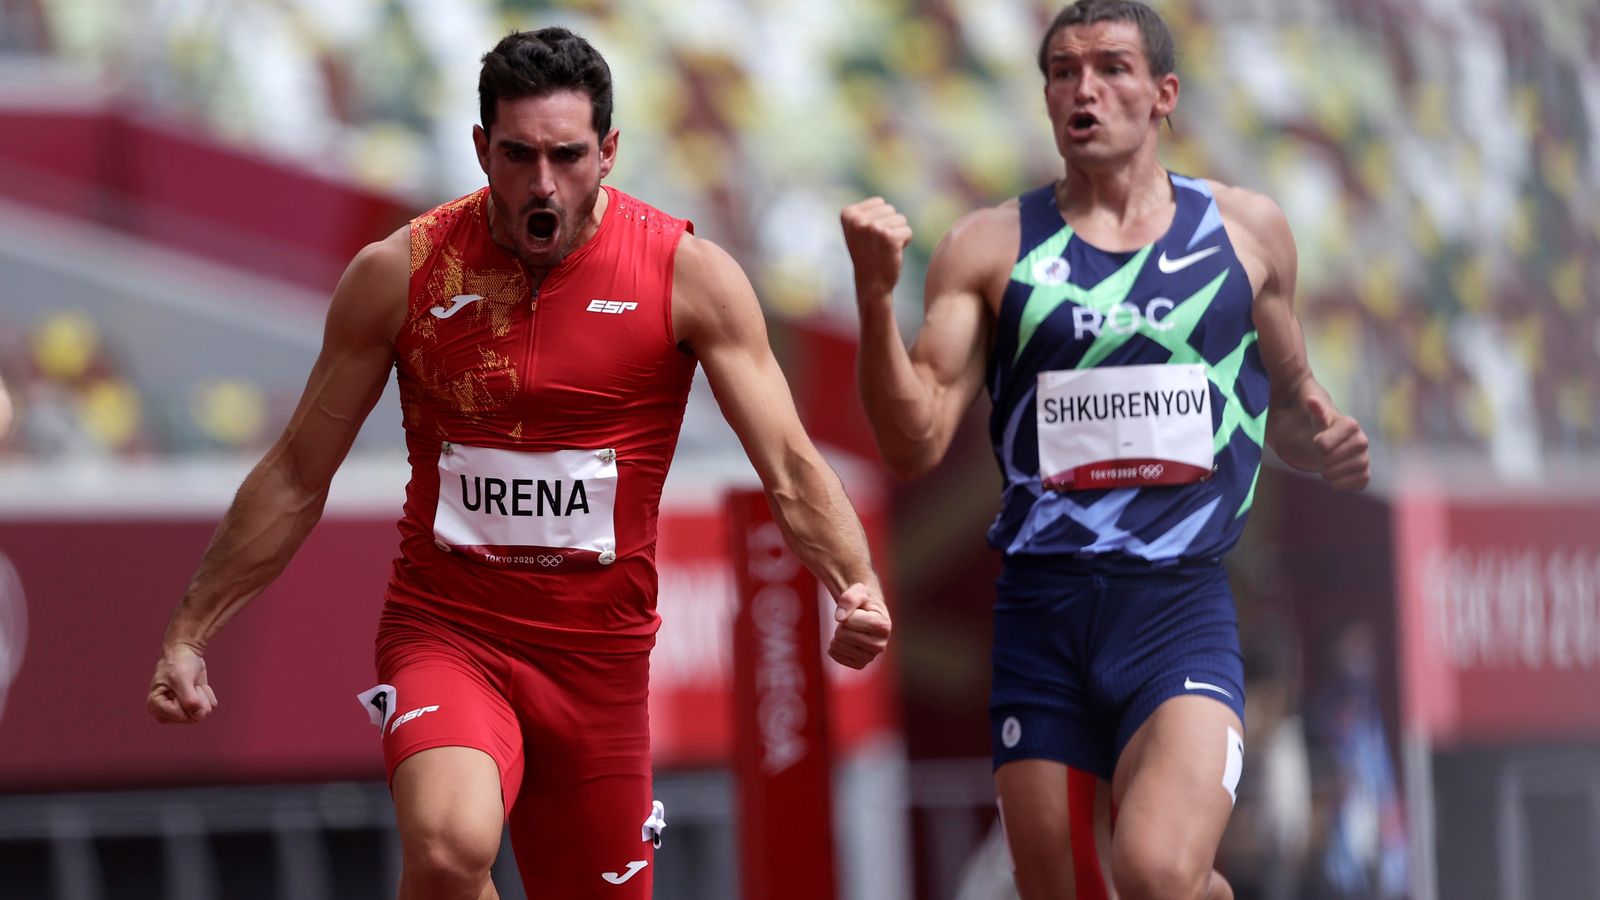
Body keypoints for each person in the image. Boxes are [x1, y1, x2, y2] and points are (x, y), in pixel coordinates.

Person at [146, 26, 891, 900]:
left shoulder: (688, 275)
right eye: (519, 155)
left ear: (609, 152)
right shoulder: (402, 273)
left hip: (600, 663)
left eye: (568, 156)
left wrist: (855, 582)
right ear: (480, 149)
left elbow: (792, 466)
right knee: (449, 846)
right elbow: (296, 473)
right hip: (450, 631)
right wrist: (190, 630)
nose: (544, 185)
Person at [840, 2, 1369, 898]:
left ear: (1164, 93)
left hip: (1179, 607)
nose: (1085, 88)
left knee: (1158, 873)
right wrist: (871, 296)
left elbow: (1285, 405)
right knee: (1059, 888)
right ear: (1046, 97)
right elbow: (913, 439)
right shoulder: (990, 247)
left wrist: (1320, 443)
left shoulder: (1246, 234)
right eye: (1063, 71)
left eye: (1112, 68)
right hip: (1042, 615)